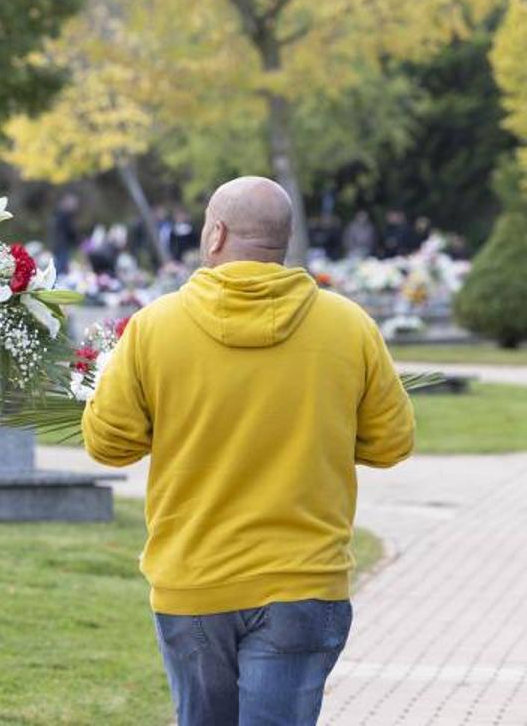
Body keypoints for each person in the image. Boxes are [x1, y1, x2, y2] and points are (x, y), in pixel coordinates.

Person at [82, 176, 415, 726]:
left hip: (194, 581)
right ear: (283, 240)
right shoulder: (349, 326)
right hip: (305, 580)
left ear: (214, 233)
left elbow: (108, 445)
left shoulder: (153, 328)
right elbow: (392, 443)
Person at [50, 193, 81, 274]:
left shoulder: (59, 214)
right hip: (62, 244)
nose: (74, 206)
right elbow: (70, 230)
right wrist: (78, 240)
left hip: (60, 244)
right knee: (60, 266)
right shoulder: (64, 215)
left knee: (61, 265)